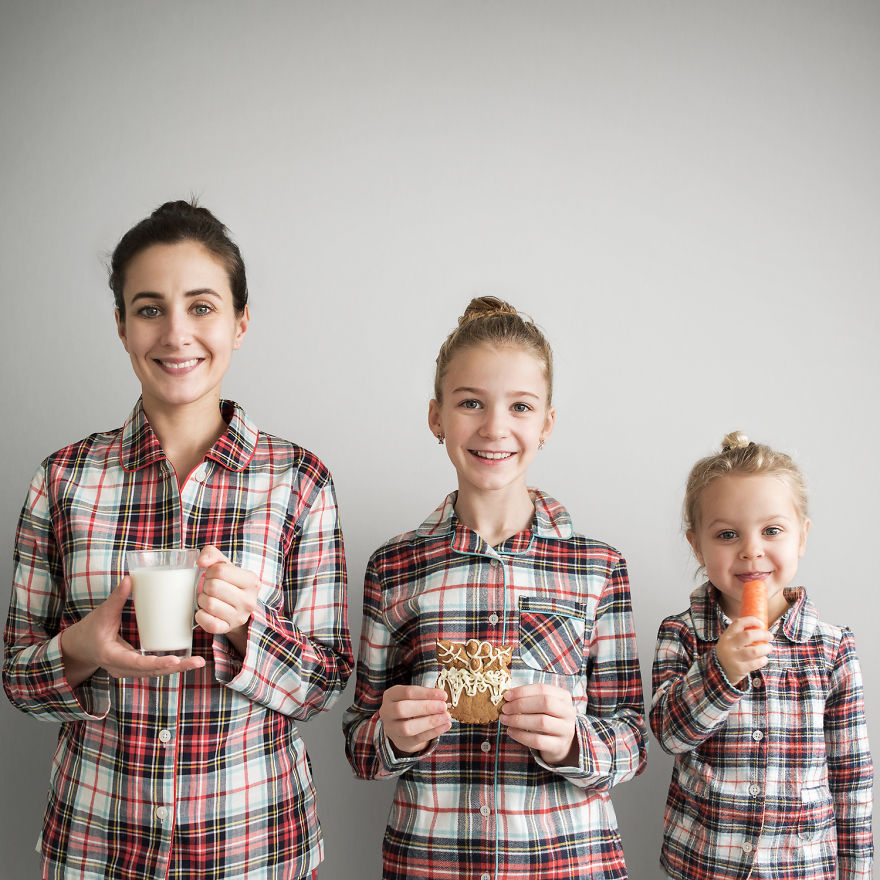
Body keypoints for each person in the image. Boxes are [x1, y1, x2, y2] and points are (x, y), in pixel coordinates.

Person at [3, 200, 353, 880]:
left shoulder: (298, 480)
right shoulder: (64, 480)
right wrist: (81, 648)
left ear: (240, 322)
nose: (175, 333)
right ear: (121, 326)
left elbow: (325, 687)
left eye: (201, 306)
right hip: (95, 846)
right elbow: (18, 679)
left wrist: (252, 626)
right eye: (148, 308)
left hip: (256, 849)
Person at [342, 297, 647, 880]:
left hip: (567, 864)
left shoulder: (599, 567)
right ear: (437, 417)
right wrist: (392, 736)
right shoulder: (393, 567)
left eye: (520, 406)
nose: (494, 427)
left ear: (547, 424)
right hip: (428, 864)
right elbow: (359, 740)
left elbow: (632, 735)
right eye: (470, 403)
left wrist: (573, 743)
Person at [650, 432, 874, 880]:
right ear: (697, 546)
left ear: (801, 536)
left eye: (771, 530)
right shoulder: (682, 634)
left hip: (802, 868)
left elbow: (852, 780)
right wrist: (721, 670)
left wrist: (857, 872)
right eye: (728, 534)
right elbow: (669, 736)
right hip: (703, 864)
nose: (751, 549)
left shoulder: (832, 649)